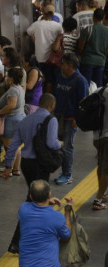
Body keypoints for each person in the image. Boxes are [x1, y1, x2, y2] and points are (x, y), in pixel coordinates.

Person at [1, 94, 61, 252]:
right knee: (36, 201)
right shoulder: (51, 120)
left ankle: (25, 240)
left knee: (35, 199)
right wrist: (60, 145)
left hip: (26, 164)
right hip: (41, 164)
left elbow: (14, 145)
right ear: (52, 105)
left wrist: (8, 166)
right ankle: (17, 242)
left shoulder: (26, 120)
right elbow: (51, 143)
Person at [53, 53, 89, 185]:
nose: (60, 65)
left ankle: (67, 174)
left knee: (67, 146)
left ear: (70, 65)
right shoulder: (60, 77)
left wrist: (77, 119)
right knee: (59, 145)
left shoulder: (80, 81)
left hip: (70, 118)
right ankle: (62, 171)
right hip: (58, 117)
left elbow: (83, 103)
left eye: (63, 63)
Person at [0, 68, 26, 177]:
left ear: (12, 78)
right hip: (19, 117)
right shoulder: (20, 88)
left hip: (12, 119)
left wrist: (0, 112)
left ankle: (8, 170)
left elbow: (11, 106)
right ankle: (16, 169)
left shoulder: (13, 90)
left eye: (7, 76)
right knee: (15, 145)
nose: (6, 78)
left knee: (9, 145)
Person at [27, 4, 63, 92]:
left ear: (43, 13)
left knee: (40, 79)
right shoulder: (58, 26)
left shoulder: (37, 25)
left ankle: (40, 96)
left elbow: (29, 32)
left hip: (39, 58)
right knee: (50, 80)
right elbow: (61, 37)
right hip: (51, 58)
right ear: (53, 14)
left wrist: (35, 41)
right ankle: (48, 98)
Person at [78, 8, 108, 87]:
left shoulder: (87, 30)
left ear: (93, 17)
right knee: (98, 86)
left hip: (87, 61)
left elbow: (80, 48)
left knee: (86, 85)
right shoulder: (107, 31)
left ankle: (87, 99)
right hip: (101, 62)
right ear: (103, 17)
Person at [91, 88, 108, 209]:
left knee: (101, 166)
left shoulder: (99, 90)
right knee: (106, 170)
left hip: (97, 136)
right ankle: (98, 199)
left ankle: (101, 194)